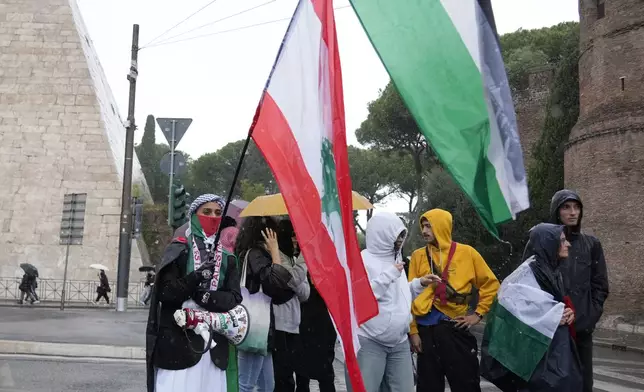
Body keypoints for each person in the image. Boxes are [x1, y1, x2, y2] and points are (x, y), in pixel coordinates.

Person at [145, 194, 242, 392]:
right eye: (206, 212)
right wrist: (196, 277)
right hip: (178, 345)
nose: (212, 217)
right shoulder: (180, 248)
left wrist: (204, 297)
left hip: (214, 346)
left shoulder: (228, 257)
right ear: (194, 215)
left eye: (217, 213)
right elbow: (165, 293)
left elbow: (234, 298)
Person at [480, 223, 582, 391]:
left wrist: (567, 312)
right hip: (538, 352)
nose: (568, 244)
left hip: (553, 345)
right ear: (550, 243)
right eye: (563, 240)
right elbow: (513, 303)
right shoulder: (529, 272)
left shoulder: (552, 269)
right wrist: (554, 315)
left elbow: (552, 303)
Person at [408, 208, 500, 392]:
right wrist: (413, 332)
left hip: (455, 329)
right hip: (426, 333)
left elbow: (491, 284)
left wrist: (478, 314)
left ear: (442, 227)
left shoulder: (467, 253)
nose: (424, 231)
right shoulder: (418, 256)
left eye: (429, 226)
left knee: (466, 384)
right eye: (423, 226)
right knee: (428, 387)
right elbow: (409, 297)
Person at [347, 212, 438, 392]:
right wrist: (389, 275)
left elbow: (399, 294)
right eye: (396, 236)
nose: (400, 240)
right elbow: (361, 298)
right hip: (370, 341)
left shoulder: (395, 259)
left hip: (399, 342)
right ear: (382, 234)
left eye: (402, 236)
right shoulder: (363, 261)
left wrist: (419, 284)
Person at [550, 189, 609, 392]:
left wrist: (588, 317)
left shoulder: (592, 244)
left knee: (584, 385)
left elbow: (600, 286)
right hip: (553, 329)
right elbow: (532, 285)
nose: (572, 212)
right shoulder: (544, 241)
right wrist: (551, 315)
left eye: (576, 207)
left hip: (582, 329)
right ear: (557, 211)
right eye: (566, 207)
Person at [235, 216, 296, 392]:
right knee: (246, 384)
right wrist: (275, 252)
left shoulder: (252, 253)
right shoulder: (255, 254)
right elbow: (275, 283)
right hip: (256, 327)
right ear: (268, 233)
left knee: (267, 386)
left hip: (262, 330)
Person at [273, 219, 310, 392]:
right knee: (282, 377)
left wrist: (295, 279)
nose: (296, 240)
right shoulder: (278, 256)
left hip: (294, 325)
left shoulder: (292, 258)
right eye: (293, 235)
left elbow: (304, 293)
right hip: (280, 324)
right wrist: (305, 258)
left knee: (291, 375)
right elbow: (294, 280)